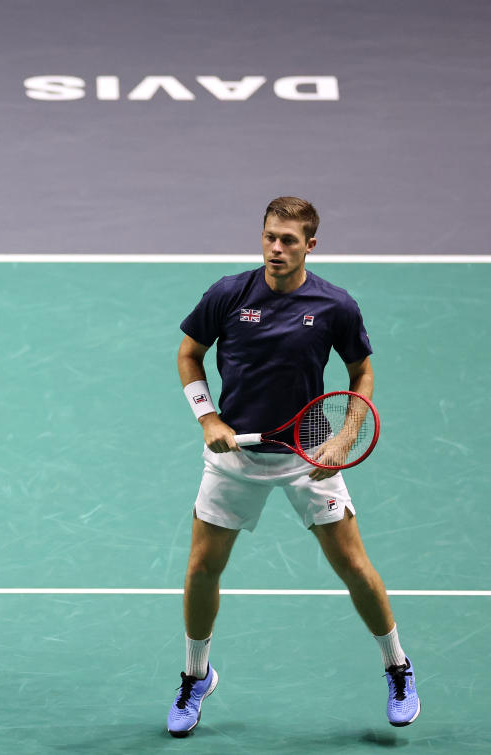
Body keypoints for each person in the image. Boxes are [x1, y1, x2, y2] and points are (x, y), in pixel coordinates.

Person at [165, 198, 420, 736]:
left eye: (288, 240)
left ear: (310, 244)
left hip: (309, 457)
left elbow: (361, 371)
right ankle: (195, 676)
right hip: (235, 455)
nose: (275, 248)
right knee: (201, 569)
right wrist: (207, 418)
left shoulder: (334, 305)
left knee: (353, 565)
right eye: (269, 237)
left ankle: (397, 667)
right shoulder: (228, 294)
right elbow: (189, 354)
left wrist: (345, 437)